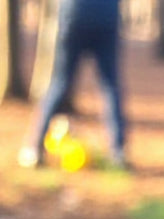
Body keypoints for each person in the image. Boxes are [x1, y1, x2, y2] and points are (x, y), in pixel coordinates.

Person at [20, 0, 128, 169]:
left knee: (59, 83)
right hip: (106, 16)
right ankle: (118, 152)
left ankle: (33, 148)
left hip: (74, 14)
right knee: (110, 85)